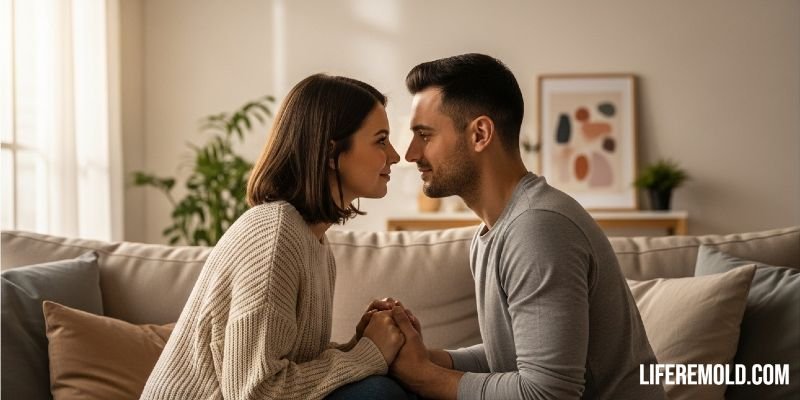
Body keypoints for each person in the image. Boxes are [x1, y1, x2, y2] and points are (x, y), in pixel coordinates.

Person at [388, 54, 666, 399]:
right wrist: (428, 358)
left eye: (424, 135)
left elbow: (547, 393)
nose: (410, 153)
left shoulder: (537, 229)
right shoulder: (497, 230)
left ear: (480, 134)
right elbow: (516, 355)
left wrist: (424, 377)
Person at [141, 74, 416, 400]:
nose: (395, 156)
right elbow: (255, 391)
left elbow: (289, 365)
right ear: (331, 151)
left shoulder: (313, 240)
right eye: (381, 140)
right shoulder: (274, 237)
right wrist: (366, 356)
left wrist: (358, 346)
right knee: (379, 393)